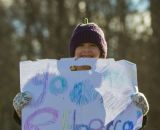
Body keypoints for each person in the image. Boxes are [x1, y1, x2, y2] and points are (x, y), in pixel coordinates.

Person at [13, 18, 149, 129]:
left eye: (92, 45)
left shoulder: (117, 83)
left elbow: (124, 122)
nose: (86, 50)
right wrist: (22, 112)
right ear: (73, 51)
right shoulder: (56, 83)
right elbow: (42, 121)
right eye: (81, 45)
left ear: (101, 53)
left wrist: (139, 113)